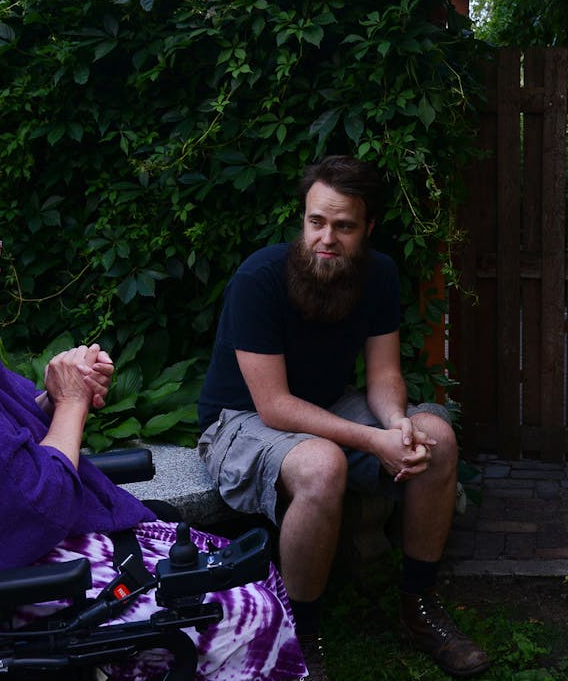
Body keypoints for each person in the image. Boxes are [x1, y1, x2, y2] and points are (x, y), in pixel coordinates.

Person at [0, 186, 306, 681]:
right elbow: (30, 506)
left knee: (241, 565)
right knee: (240, 611)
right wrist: (69, 404)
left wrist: (54, 398)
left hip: (31, 559)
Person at [197, 156, 490, 678]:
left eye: (344, 226)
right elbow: (275, 406)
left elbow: (381, 375)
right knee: (322, 467)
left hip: (330, 405)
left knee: (436, 439)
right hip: (239, 420)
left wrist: (397, 423)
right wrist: (371, 441)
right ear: (304, 218)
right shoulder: (259, 279)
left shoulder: (378, 275)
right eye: (316, 222)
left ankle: (418, 608)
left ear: (368, 227)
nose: (326, 238)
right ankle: (301, 636)